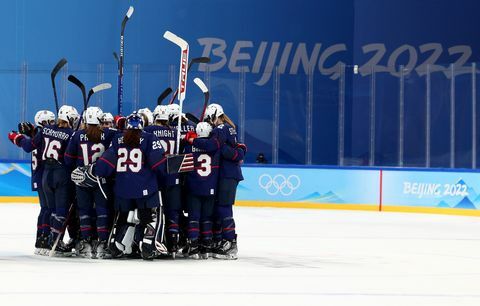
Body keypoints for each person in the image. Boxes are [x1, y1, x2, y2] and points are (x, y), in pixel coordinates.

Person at [88, 112, 168, 260]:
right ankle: (147, 246)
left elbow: (105, 166)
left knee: (123, 217)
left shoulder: (118, 139)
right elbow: (159, 165)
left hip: (122, 188)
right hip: (145, 187)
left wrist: (94, 169)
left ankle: (117, 245)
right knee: (150, 217)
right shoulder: (149, 138)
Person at [14, 105, 79, 256]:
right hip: (61, 174)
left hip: (46, 174)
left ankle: (43, 242)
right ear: (69, 118)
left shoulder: (45, 130)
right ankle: (55, 243)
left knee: (48, 210)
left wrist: (19, 138)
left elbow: (30, 145)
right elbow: (70, 159)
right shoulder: (71, 134)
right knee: (60, 211)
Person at [185, 103, 246, 260]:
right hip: (229, 174)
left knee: (224, 208)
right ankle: (225, 241)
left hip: (226, 174)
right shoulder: (229, 128)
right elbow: (234, 149)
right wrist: (238, 151)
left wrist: (193, 141)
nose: (210, 123)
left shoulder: (220, 129)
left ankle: (230, 243)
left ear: (214, 116)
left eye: (210, 119)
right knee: (221, 208)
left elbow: (213, 145)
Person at [65, 106, 115, 258]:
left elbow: (68, 159)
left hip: (82, 179)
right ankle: (102, 243)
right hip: (100, 179)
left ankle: (86, 243)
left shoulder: (77, 135)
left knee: (84, 211)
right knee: (102, 211)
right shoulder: (109, 134)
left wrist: (77, 168)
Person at [8, 110, 56, 255]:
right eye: (51, 121)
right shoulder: (44, 135)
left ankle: (41, 240)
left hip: (39, 176)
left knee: (45, 209)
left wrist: (21, 136)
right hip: (44, 176)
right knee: (49, 209)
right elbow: (32, 143)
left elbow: (33, 141)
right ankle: (45, 240)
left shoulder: (40, 134)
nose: (53, 124)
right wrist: (21, 138)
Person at [145, 105, 182, 255]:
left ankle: (156, 240)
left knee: (157, 211)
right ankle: (173, 244)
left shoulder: (149, 131)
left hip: (156, 176)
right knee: (173, 211)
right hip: (174, 177)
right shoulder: (176, 132)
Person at [183, 122, 220, 259]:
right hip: (210, 186)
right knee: (207, 217)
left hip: (194, 186)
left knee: (194, 217)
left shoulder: (189, 147)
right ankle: (207, 245)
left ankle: (193, 245)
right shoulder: (214, 148)